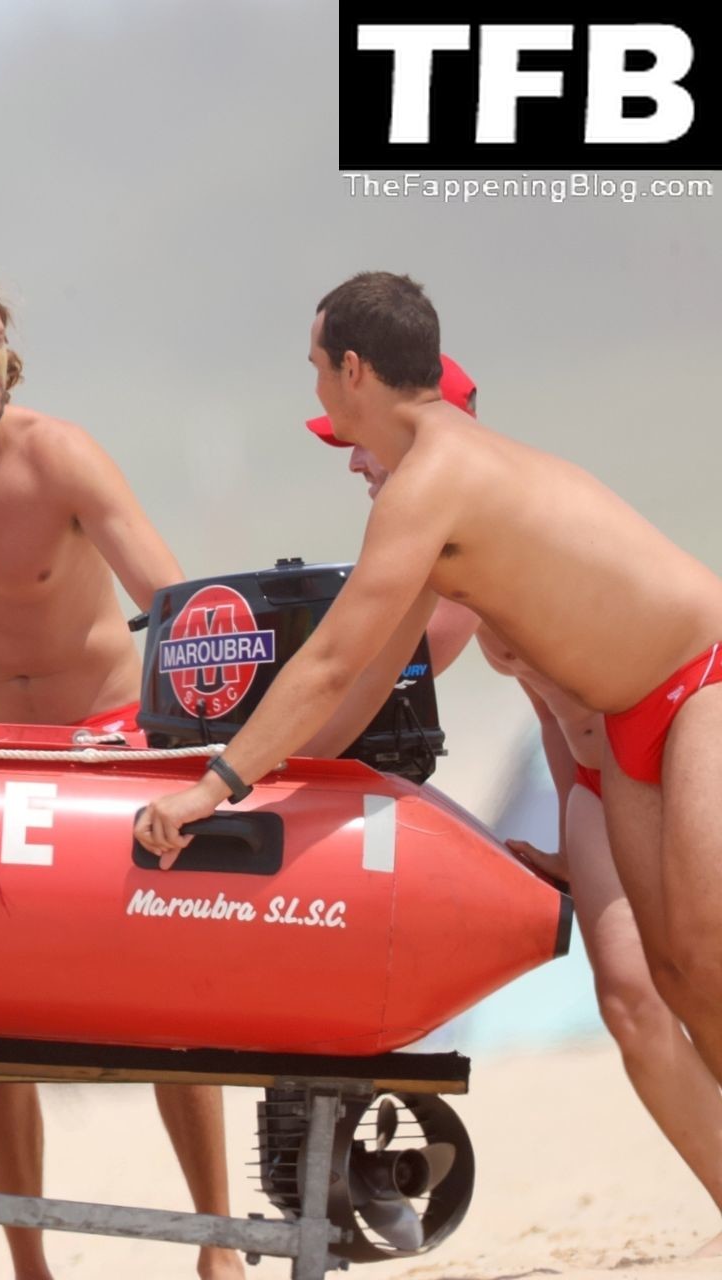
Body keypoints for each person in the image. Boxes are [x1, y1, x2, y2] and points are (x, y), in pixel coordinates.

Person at [134, 271, 722, 1133]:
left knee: (706, 954)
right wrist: (272, 781)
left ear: (354, 370)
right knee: (671, 981)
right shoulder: (423, 495)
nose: (316, 388)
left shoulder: (436, 477)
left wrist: (215, 787)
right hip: (628, 725)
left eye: (316, 368)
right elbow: (364, 681)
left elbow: (329, 663)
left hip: (700, 678)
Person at [0, 264, 240, 1280]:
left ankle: (219, 1244)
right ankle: (29, 1264)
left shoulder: (57, 454)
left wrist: (224, 753)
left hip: (111, 736)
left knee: (163, 997)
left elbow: (177, 607)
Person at [303, 356, 722, 1256]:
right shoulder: (441, 528)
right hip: (602, 778)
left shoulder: (463, 520)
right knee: (634, 1005)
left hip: (681, 721)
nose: (355, 460)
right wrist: (579, 830)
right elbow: (549, 703)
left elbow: (374, 669)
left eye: (358, 441)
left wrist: (251, 764)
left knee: (707, 966)